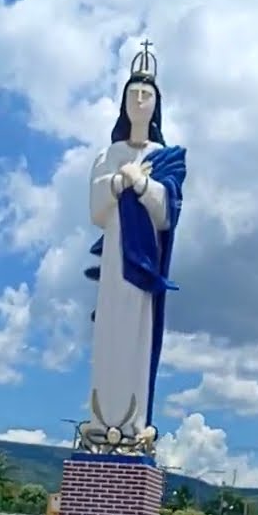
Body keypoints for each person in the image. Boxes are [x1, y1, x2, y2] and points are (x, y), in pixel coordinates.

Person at [82, 43, 187, 448]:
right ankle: (100, 424)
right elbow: (96, 208)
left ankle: (132, 425)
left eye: (147, 95)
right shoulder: (109, 154)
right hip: (114, 261)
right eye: (133, 95)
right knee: (108, 331)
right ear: (123, 103)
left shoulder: (164, 157)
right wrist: (117, 180)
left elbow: (167, 213)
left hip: (142, 264)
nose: (140, 101)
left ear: (156, 105)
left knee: (137, 336)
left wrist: (142, 184)